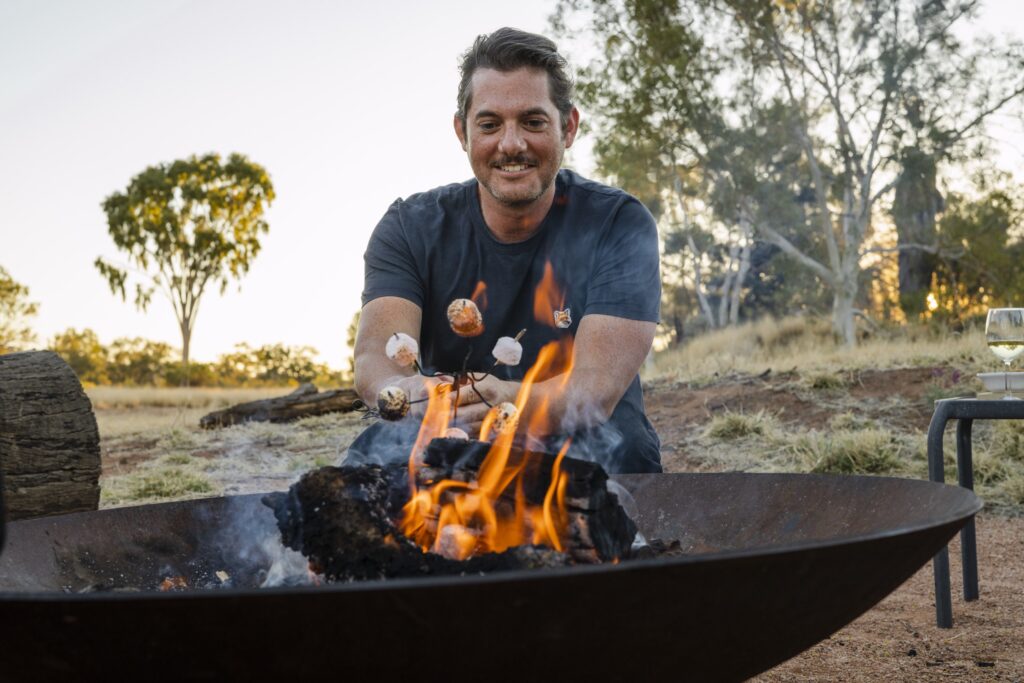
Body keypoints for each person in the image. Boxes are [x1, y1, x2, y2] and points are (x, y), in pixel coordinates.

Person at [347, 27, 661, 474]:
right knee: (368, 460)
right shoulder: (409, 227)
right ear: (463, 132)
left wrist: (499, 398)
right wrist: (417, 396)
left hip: (582, 437)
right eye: (490, 124)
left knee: (623, 450)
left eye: (533, 122)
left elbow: (594, 390)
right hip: (448, 430)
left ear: (567, 127)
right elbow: (375, 360)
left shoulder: (618, 224)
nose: (511, 144)